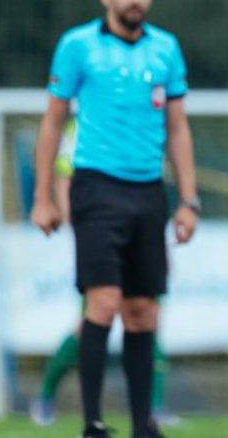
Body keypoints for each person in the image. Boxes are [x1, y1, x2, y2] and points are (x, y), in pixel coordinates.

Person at [31, 0, 199, 438]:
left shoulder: (166, 48)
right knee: (102, 304)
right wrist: (43, 196)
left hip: (149, 192)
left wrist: (188, 200)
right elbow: (52, 122)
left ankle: (143, 424)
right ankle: (93, 424)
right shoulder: (77, 46)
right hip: (95, 189)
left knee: (144, 310)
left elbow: (178, 129)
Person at [30, 120, 182, 428]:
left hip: (139, 229)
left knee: (147, 314)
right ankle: (50, 398)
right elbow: (64, 177)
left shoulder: (141, 120)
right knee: (90, 322)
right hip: (101, 234)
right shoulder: (82, 125)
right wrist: (83, 229)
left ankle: (151, 410)